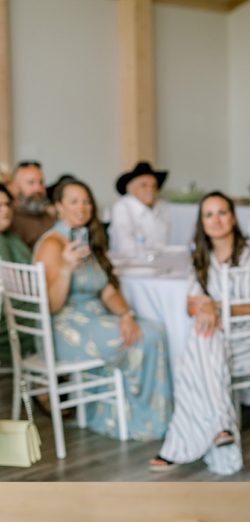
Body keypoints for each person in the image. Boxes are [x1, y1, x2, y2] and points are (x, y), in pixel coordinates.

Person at [33, 178, 172, 441]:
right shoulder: (53, 244)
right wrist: (65, 268)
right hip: (65, 330)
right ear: (58, 207)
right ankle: (142, 422)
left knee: (153, 327)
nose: (82, 207)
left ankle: (138, 415)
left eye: (86, 201)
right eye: (74, 201)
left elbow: (106, 289)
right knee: (149, 337)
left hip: (95, 320)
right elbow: (49, 306)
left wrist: (126, 315)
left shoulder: (80, 238)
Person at [150, 191, 250, 473]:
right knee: (203, 340)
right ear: (202, 222)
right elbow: (190, 304)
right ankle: (220, 428)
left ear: (232, 217)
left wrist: (218, 307)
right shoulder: (201, 257)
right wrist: (205, 306)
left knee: (196, 350)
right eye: (209, 215)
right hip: (221, 340)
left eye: (222, 212)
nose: (216, 220)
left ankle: (182, 443)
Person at [0, 182, 32, 365]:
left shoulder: (11, 238)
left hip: (25, 311)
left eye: (7, 205)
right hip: (12, 321)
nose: (5, 210)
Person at [109, 161, 171, 255]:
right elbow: (125, 246)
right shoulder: (122, 207)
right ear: (130, 188)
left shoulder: (162, 206)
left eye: (154, 186)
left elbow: (166, 241)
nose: (150, 190)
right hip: (129, 264)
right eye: (144, 185)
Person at [9, 160, 56, 248]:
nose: (38, 189)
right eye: (31, 182)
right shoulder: (8, 218)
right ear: (15, 187)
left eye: (41, 182)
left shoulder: (51, 216)